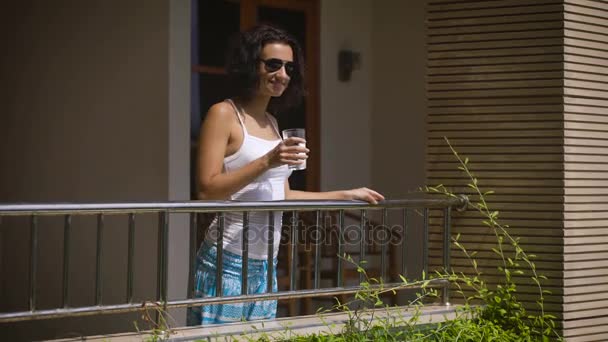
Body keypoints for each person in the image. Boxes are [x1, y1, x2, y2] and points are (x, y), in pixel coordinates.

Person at [188, 24, 384, 325]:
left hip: (266, 264)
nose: (282, 74)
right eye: (273, 64)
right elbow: (206, 189)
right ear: (251, 64)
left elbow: (283, 194)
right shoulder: (224, 114)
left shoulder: (271, 122)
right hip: (226, 261)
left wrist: (345, 194)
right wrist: (268, 159)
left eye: (289, 67)